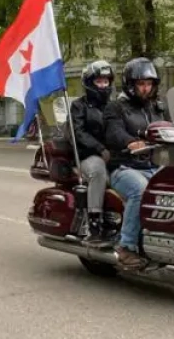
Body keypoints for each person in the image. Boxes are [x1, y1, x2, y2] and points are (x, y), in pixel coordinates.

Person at [103, 57, 168, 268]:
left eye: (149, 84)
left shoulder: (157, 108)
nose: (145, 88)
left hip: (154, 165)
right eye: (141, 84)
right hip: (124, 167)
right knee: (140, 191)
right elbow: (114, 132)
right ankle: (126, 247)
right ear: (131, 85)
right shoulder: (116, 107)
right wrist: (131, 142)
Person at [70, 60, 116, 247]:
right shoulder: (78, 106)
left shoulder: (114, 106)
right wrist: (100, 149)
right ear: (89, 83)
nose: (103, 85)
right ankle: (94, 225)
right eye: (99, 82)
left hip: (112, 155)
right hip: (86, 156)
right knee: (98, 172)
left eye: (106, 81)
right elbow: (78, 133)